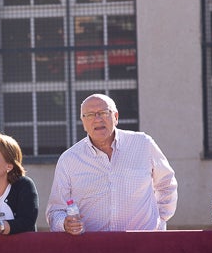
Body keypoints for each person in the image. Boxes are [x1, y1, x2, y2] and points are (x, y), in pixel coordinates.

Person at [46, 93, 178, 233]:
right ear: (83, 122)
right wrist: (65, 224)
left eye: (103, 113)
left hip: (142, 246)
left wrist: (159, 220)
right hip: (93, 249)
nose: (97, 119)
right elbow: (56, 211)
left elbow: (166, 183)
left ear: (115, 117)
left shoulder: (143, 144)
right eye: (90, 115)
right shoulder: (69, 160)